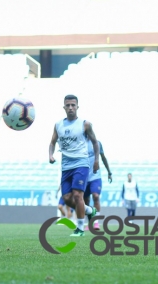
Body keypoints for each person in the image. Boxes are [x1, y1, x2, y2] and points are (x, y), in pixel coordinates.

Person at [48, 94, 99, 237]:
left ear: (77, 107)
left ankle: (80, 228)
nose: (70, 107)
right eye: (68, 105)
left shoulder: (85, 124)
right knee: (66, 198)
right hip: (66, 166)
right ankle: (89, 210)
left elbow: (95, 142)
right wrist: (51, 155)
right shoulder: (58, 125)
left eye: (73, 105)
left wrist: (96, 161)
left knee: (78, 195)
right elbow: (52, 142)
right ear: (64, 107)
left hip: (81, 163)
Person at [84, 139, 112, 230]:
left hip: (95, 177)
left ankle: (96, 222)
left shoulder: (97, 143)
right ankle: (90, 223)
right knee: (86, 201)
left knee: (96, 196)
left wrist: (109, 172)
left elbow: (103, 157)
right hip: (83, 178)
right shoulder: (80, 143)